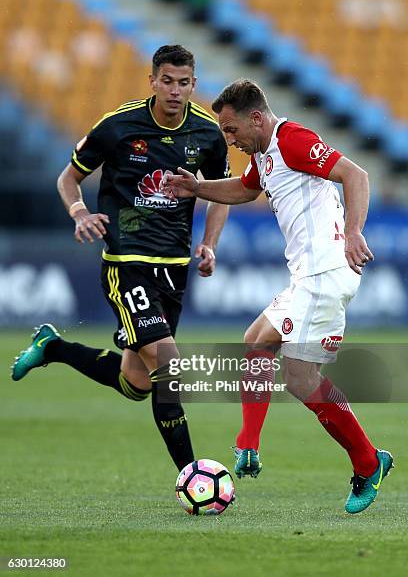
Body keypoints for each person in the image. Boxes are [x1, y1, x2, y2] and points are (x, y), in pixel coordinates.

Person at [162, 78, 393, 513]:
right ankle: (247, 443)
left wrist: (354, 232)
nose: (229, 140)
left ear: (256, 118)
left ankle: (368, 462)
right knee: (256, 340)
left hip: (326, 274)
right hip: (306, 277)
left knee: (300, 378)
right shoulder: (265, 156)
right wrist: (197, 188)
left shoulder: (292, 140)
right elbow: (244, 190)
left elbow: (355, 174)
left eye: (231, 131)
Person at [12, 45, 230, 472]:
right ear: (152, 80)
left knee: (136, 383)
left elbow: (220, 191)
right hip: (126, 261)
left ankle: (54, 347)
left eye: (183, 83)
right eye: (166, 80)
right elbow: (68, 178)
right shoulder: (117, 125)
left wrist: (210, 244)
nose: (174, 90)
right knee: (168, 365)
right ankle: (193, 475)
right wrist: (79, 213)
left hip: (174, 268)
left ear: (194, 85)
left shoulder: (207, 135)